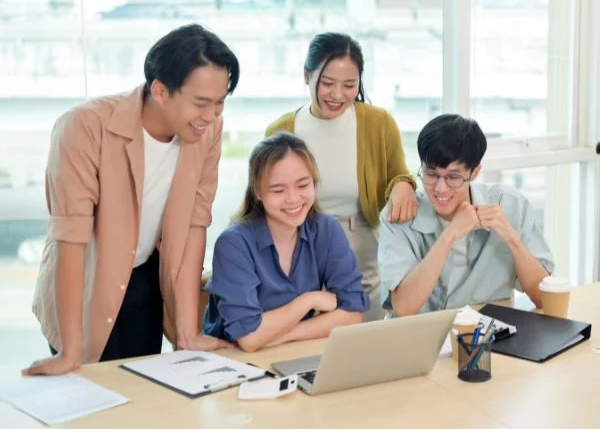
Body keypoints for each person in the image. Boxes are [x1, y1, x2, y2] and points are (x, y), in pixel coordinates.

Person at [25, 24, 238, 376]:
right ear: (160, 90)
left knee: (142, 389)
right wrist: (69, 350)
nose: (211, 115)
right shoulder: (84, 126)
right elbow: (71, 239)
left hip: (145, 278)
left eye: (220, 102)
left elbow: (194, 225)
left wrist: (188, 333)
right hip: (87, 279)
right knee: (91, 391)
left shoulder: (208, 130)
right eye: (201, 103)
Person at [265, 32, 416, 319]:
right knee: (308, 328)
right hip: (300, 243)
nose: (338, 95)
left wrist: (403, 185)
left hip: (362, 244)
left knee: (365, 329)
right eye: (327, 83)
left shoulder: (378, 123)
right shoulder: (281, 130)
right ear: (307, 76)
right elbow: (262, 194)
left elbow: (400, 174)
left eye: (349, 85)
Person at [203, 132, 369, 352]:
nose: (293, 198)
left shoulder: (326, 230)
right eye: (278, 190)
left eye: (303, 185)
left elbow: (354, 313)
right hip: (232, 360)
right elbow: (249, 338)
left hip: (293, 352)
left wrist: (281, 336)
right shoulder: (234, 244)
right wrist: (308, 301)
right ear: (258, 192)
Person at [378, 114, 555, 316]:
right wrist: (450, 235)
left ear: (475, 172)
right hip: (421, 333)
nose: (440, 188)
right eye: (431, 174)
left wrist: (511, 239)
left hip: (489, 332)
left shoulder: (510, 204)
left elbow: (543, 298)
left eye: (453, 177)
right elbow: (404, 307)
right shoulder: (400, 215)